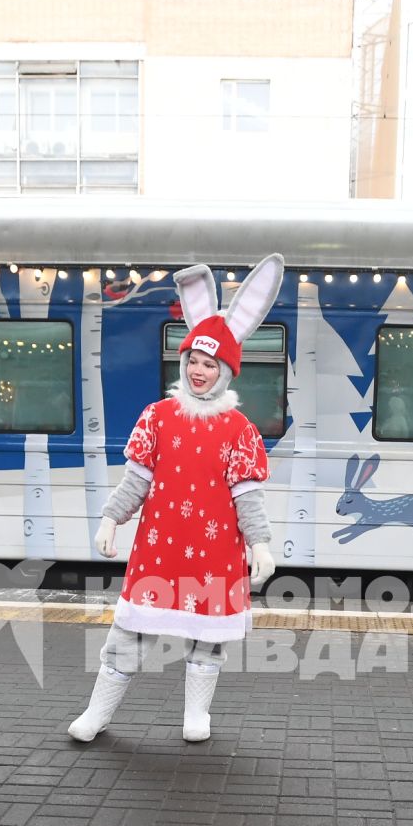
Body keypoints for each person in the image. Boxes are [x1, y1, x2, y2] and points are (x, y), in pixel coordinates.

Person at [69, 255, 283, 744]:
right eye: (194, 361)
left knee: (206, 638)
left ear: (227, 371)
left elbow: (247, 494)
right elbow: (136, 480)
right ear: (182, 362)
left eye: (211, 364)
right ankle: (97, 713)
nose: (200, 370)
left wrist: (261, 543)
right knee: (128, 633)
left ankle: (196, 715)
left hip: (214, 550)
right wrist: (111, 517)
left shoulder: (238, 429)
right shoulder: (157, 416)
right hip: (159, 546)